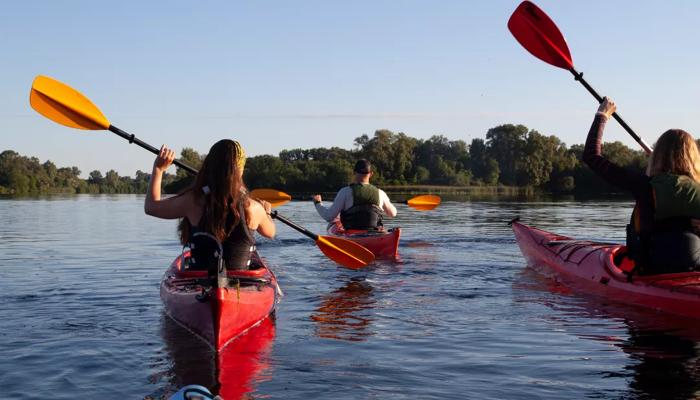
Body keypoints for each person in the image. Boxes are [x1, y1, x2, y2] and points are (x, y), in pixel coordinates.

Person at [583, 97, 700, 274]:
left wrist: (602, 115)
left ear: (658, 155)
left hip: (652, 269)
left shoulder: (642, 184)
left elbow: (591, 156)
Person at [144, 139, 275, 270]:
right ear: (241, 169)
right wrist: (266, 213)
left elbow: (151, 207)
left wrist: (158, 169)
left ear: (209, 165)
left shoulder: (192, 201)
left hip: (199, 283)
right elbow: (271, 233)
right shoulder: (253, 208)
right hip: (242, 284)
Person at [312, 159, 397, 230]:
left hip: (352, 235)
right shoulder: (380, 193)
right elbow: (393, 214)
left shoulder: (345, 192)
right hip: (375, 234)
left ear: (354, 172)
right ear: (371, 174)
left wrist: (318, 203)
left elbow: (329, 216)